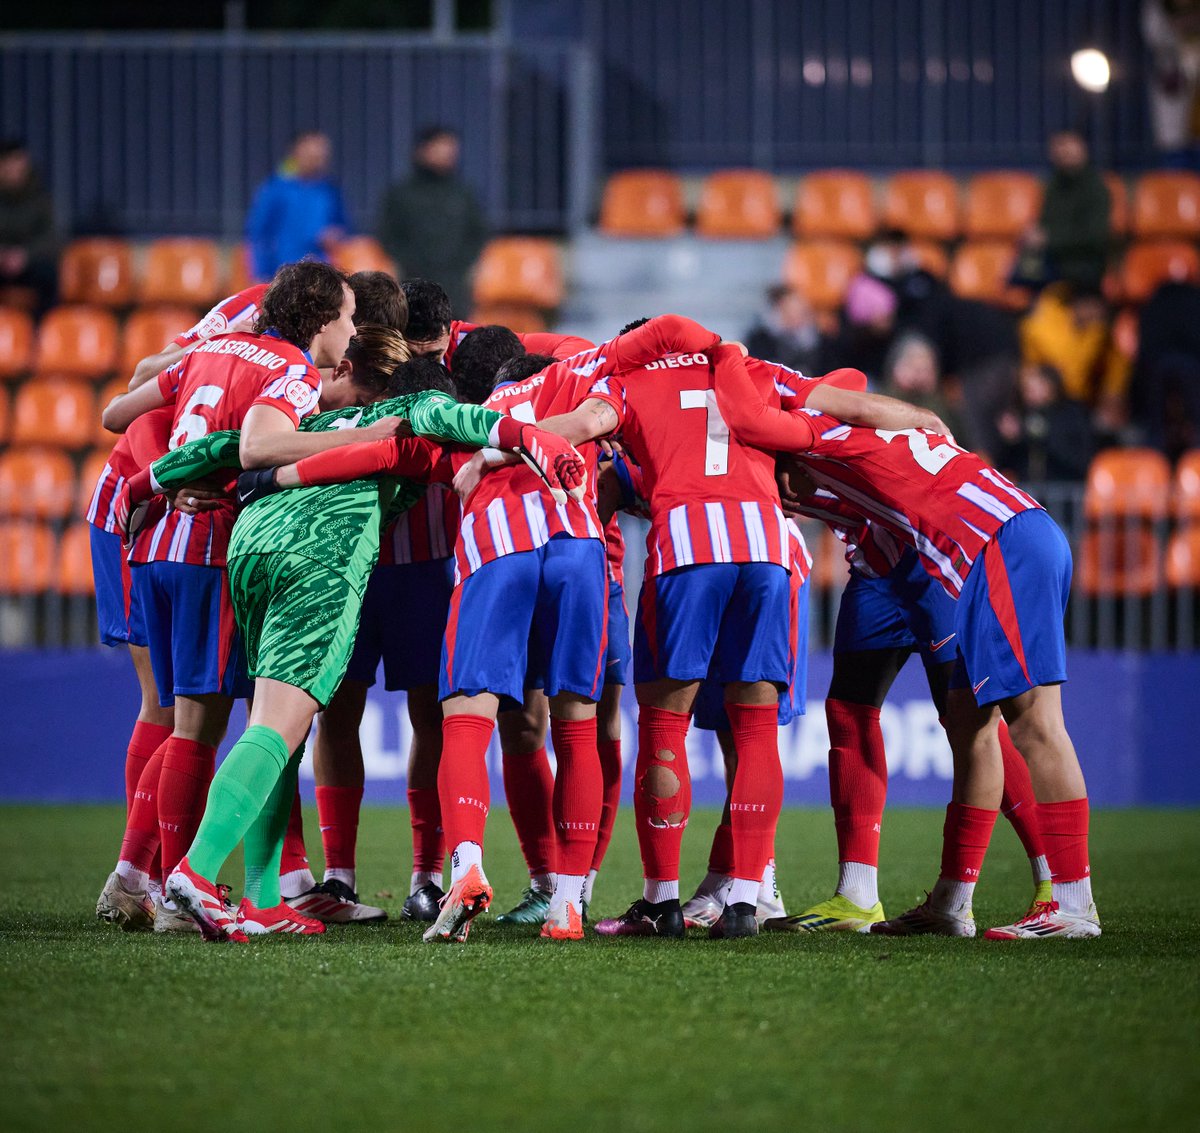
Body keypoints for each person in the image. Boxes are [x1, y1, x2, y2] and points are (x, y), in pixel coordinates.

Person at [124, 334, 580, 941]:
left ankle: (262, 899)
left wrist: (144, 487)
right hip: (319, 558)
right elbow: (467, 420)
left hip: (249, 547)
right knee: (277, 728)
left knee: (274, 729)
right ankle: (197, 876)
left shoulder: (322, 418)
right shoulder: (411, 418)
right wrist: (536, 439)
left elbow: (224, 446)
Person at [711, 349, 1101, 940]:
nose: (783, 489)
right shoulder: (868, 442)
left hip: (989, 548)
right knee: (973, 723)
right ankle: (951, 902)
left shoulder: (826, 436)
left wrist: (724, 356)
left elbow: (749, 418)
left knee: (1033, 725)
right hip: (984, 544)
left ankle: (1069, 900)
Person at [97, 263, 382, 934]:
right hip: (208, 547)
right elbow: (253, 445)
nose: (352, 330)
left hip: (154, 538)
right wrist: (361, 436)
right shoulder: (293, 370)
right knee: (200, 727)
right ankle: (175, 891)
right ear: (318, 318)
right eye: (345, 317)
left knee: (169, 712)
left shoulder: (214, 347)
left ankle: (141, 876)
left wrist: (163, 478)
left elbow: (115, 410)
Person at [93, 285, 268, 931]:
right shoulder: (243, 334)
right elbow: (139, 399)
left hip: (171, 514)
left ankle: (149, 877)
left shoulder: (256, 341)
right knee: (175, 708)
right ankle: (147, 879)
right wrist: (169, 476)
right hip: (147, 513)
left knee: (185, 710)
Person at [377, 127, 487, 318]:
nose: (448, 154)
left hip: (454, 284)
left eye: (451, 149)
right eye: (440, 147)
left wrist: (463, 263)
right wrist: (408, 262)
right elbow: (388, 233)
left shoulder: (463, 194)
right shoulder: (402, 193)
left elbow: (478, 233)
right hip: (413, 281)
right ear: (423, 150)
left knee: (455, 335)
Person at [1019, 282, 1131, 436]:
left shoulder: (1098, 331)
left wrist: (1113, 391)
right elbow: (1027, 353)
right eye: (1092, 307)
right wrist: (1032, 378)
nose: (1095, 315)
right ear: (1079, 302)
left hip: (1079, 402)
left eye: (1099, 311)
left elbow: (1118, 358)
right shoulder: (1047, 317)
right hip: (1046, 393)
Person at [245, 131, 349, 282]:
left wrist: (335, 234)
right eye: (312, 155)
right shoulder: (275, 189)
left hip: (321, 274)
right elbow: (258, 233)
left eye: (321, 156)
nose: (317, 160)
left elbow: (343, 226)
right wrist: (260, 273)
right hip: (281, 273)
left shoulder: (329, 190)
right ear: (296, 153)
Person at [1015, 130, 1111, 290]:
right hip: (1054, 260)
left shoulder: (1096, 188)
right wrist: (1034, 235)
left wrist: (1048, 240)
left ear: (1083, 150)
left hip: (1083, 264)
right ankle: (1024, 295)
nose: (1064, 153)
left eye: (1069, 148)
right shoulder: (1053, 186)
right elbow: (1045, 223)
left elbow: (1095, 237)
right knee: (1025, 269)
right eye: (1060, 149)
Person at [1129, 278, 1200, 456]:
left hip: (1157, 367)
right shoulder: (1193, 302)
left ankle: (1154, 444)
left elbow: (1145, 349)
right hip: (1185, 366)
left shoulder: (1151, 304)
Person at [995, 363, 1097, 483]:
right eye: (1026, 388)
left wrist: (1031, 434)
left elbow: (1080, 458)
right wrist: (1010, 439)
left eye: (1037, 386)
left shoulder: (1072, 414)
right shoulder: (1021, 415)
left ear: (1052, 385)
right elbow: (1005, 463)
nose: (1031, 392)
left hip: (1066, 491)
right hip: (1029, 491)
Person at [0, 139, 58, 315]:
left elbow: (52, 238)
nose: (14, 169)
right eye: (8, 164)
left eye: (18, 163)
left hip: (29, 264)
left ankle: (42, 331)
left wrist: (25, 256)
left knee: (48, 274)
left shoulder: (40, 198)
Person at [881, 333, 965, 444]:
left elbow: (955, 436)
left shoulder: (944, 403)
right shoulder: (880, 401)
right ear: (896, 368)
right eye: (912, 367)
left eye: (925, 369)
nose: (918, 377)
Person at [744, 285, 823, 375]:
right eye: (788, 312)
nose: (796, 317)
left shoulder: (816, 339)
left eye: (799, 311)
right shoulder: (760, 341)